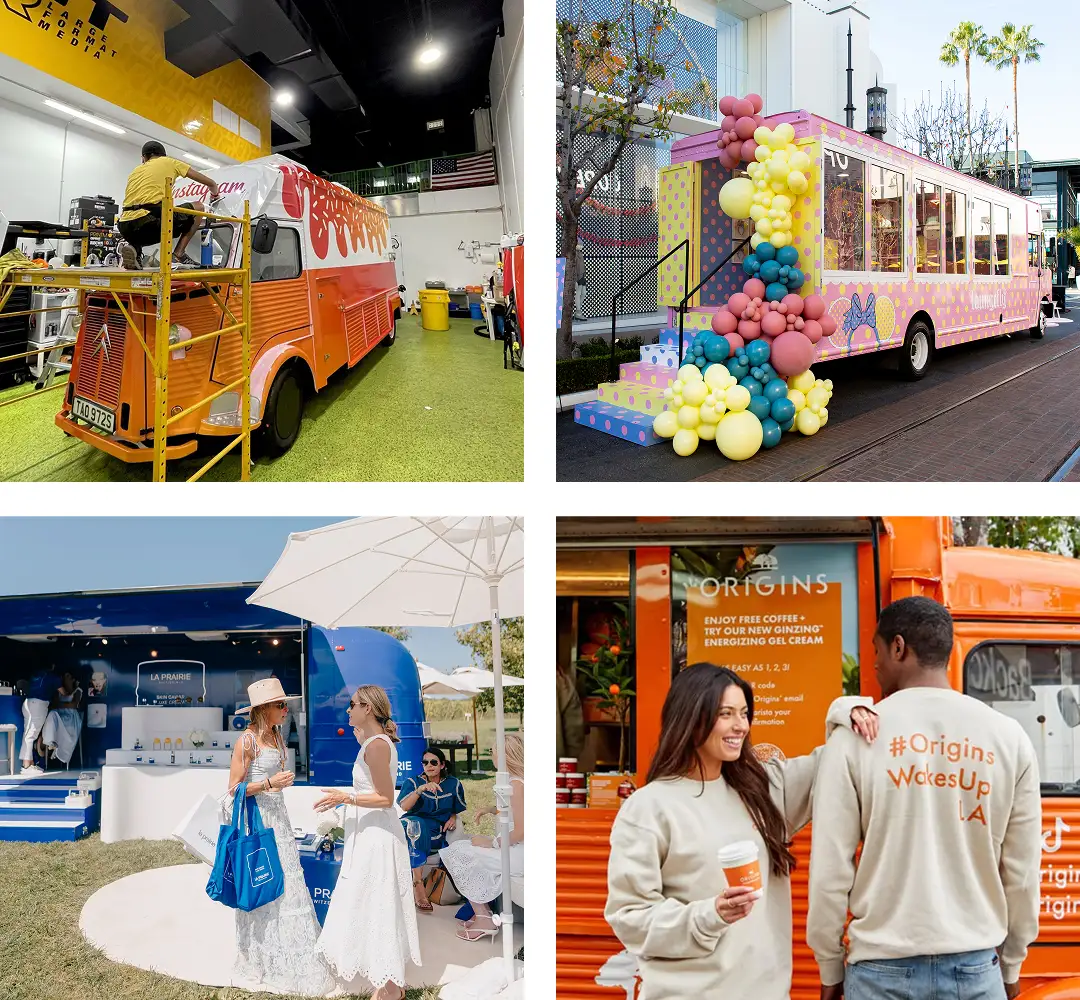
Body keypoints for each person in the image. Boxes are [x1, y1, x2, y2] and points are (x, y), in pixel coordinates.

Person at [807, 596, 1043, 1000]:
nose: (875, 665)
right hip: (974, 969)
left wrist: (830, 968)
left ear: (898, 648)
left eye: (877, 652)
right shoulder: (1009, 738)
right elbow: (1021, 873)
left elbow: (830, 870)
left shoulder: (854, 739)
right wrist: (1012, 963)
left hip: (880, 970)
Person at [604, 663, 878, 1000]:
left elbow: (834, 759)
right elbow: (630, 918)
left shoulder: (764, 789)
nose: (741, 726)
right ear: (692, 717)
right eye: (726, 714)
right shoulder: (648, 807)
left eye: (745, 713)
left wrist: (848, 708)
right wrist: (710, 914)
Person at [227, 677, 333, 997]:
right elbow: (233, 790)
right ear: (263, 709)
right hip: (259, 821)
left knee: (290, 885)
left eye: (285, 704)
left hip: (281, 820)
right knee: (265, 883)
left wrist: (277, 786)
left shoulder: (276, 735)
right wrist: (270, 785)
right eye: (280, 705)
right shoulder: (246, 741)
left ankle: (295, 955)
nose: (286, 709)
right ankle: (261, 957)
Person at [315, 685, 420, 1000]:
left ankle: (390, 989)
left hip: (377, 838)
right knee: (375, 904)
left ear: (369, 708)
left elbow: (387, 798)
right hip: (370, 833)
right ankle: (388, 986)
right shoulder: (374, 743)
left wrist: (345, 796)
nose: (347, 710)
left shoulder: (377, 746)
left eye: (353, 705)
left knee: (377, 904)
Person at [439, 732, 525, 942]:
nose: (492, 755)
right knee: (465, 846)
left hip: (522, 852)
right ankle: (483, 914)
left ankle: (484, 919)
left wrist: (492, 843)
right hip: (514, 846)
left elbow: (524, 829)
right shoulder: (514, 781)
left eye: (493, 751)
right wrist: (489, 809)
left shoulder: (518, 785)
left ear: (505, 755)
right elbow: (511, 810)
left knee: (459, 851)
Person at [116, 140, 220, 269]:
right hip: (148, 222)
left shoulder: (135, 171)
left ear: (144, 158)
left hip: (124, 226)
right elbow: (211, 183)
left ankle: (135, 250)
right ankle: (179, 253)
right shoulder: (171, 162)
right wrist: (215, 193)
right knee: (199, 207)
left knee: (153, 215)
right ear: (163, 155)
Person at [398, 745, 467, 912]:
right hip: (412, 825)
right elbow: (405, 806)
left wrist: (452, 817)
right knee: (418, 826)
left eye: (433, 762)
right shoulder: (413, 782)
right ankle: (418, 884)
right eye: (425, 762)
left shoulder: (453, 784)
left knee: (431, 835)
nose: (429, 765)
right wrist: (421, 790)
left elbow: (456, 809)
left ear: (442, 765)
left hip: (436, 830)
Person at [19, 666, 61, 775]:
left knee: (27, 734)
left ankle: (29, 763)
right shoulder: (52, 676)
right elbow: (64, 692)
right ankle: (26, 766)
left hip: (28, 702)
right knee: (31, 735)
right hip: (38, 704)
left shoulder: (36, 674)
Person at [37, 671, 83, 768]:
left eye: (68, 676)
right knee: (52, 714)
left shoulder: (78, 690)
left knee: (53, 714)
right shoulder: (59, 691)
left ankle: (45, 742)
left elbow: (74, 705)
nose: (67, 679)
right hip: (59, 716)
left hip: (71, 719)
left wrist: (62, 705)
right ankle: (50, 743)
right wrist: (66, 705)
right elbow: (53, 704)